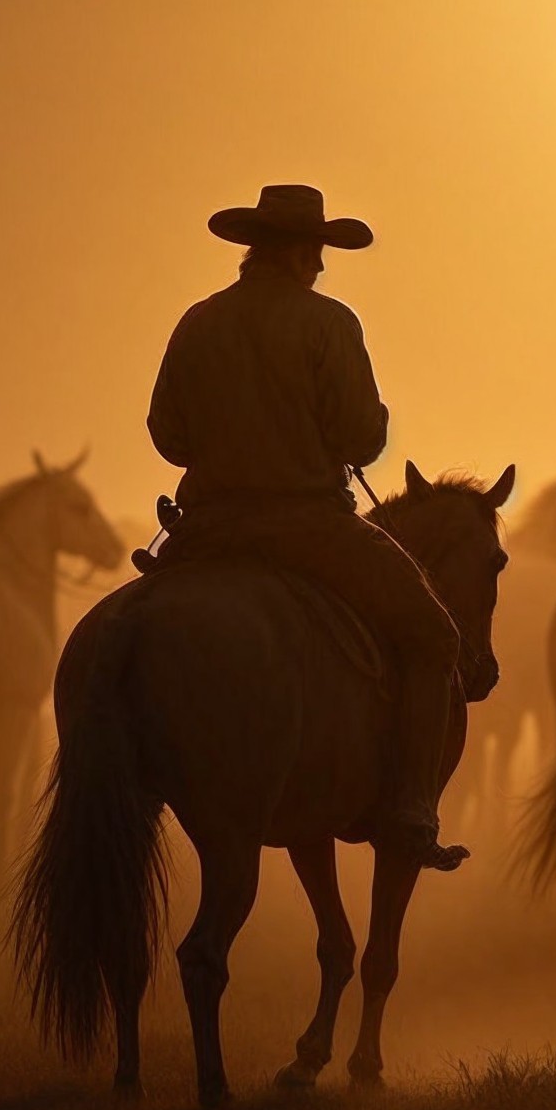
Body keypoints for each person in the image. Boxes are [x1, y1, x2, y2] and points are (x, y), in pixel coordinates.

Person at [144, 183, 469, 871]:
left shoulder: (198, 321)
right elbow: (360, 435)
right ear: (298, 253)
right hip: (306, 526)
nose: (321, 266)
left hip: (204, 530)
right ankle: (412, 809)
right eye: (317, 251)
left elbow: (169, 437)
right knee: (433, 634)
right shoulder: (329, 323)